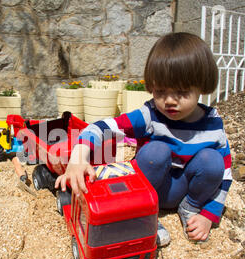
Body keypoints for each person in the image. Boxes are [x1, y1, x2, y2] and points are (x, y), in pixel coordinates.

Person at [54, 32, 232, 247]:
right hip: (152, 188)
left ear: (202, 86)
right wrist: (78, 157)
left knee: (213, 161)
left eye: (182, 92)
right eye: (160, 91)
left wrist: (208, 215)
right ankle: (147, 213)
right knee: (155, 152)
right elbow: (100, 127)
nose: (169, 101)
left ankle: (190, 208)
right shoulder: (150, 115)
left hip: (188, 190)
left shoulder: (213, 124)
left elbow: (225, 176)